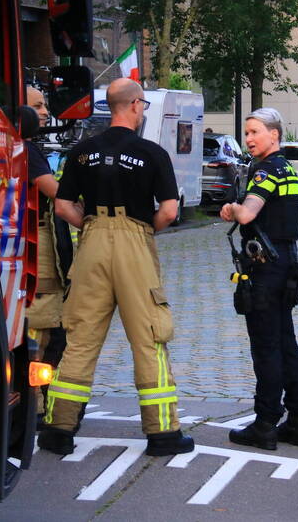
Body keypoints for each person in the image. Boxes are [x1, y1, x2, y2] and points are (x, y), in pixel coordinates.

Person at [39, 78, 194, 457]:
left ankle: (58, 430)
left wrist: (91, 227)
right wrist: (142, 232)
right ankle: (162, 434)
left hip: (91, 243)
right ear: (137, 105)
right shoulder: (152, 153)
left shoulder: (82, 152)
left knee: (79, 338)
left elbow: (62, 206)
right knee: (149, 336)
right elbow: (170, 211)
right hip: (134, 245)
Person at [220, 108, 298, 450]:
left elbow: (247, 213)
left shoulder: (266, 171)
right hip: (286, 262)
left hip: (265, 267)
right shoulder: (287, 169)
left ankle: (265, 424)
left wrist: (231, 208)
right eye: (247, 133)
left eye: (255, 132)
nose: (249, 139)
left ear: (274, 134)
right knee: (286, 342)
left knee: (266, 347)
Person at [24, 86, 71, 419]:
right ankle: (36, 404)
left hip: (38, 246)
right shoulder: (27, 151)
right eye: (37, 106)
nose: (44, 111)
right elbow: (54, 192)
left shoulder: (23, 148)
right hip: (38, 251)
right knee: (44, 329)